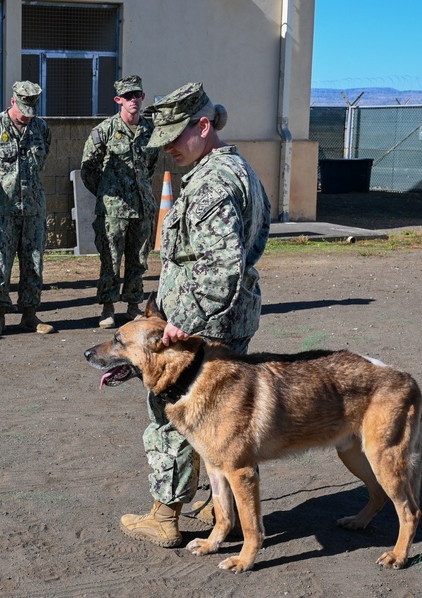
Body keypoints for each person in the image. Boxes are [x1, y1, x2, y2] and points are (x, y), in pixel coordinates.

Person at [119, 82, 271, 547]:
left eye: (174, 135)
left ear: (203, 126)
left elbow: (221, 266)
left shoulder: (211, 183)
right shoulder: (239, 169)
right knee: (229, 419)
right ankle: (220, 506)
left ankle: (165, 514)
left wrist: (186, 319)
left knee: (173, 416)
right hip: (231, 321)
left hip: (195, 332)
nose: (167, 147)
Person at [0, 80, 54, 337]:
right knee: (0, 264)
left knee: (33, 261)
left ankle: (29, 314)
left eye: (32, 110)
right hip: (0, 210)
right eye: (23, 110)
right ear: (12, 102)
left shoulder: (41, 127)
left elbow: (42, 160)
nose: (27, 117)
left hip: (32, 208)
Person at [80, 75, 160, 329]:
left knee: (139, 259)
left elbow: (151, 166)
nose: (133, 100)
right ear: (118, 100)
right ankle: (108, 306)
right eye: (127, 96)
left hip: (142, 208)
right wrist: (106, 193)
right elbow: (88, 169)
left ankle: (133, 305)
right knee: (111, 259)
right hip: (113, 211)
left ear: (143, 97)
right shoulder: (103, 131)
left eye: (137, 95)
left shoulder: (150, 132)